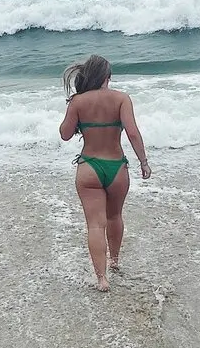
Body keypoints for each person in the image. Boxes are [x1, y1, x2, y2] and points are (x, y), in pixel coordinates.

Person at [59, 55, 152, 291]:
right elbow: (132, 132)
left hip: (89, 167)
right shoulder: (121, 99)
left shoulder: (78, 102)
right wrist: (143, 162)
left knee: (95, 225)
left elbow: (65, 134)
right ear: (107, 77)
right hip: (117, 167)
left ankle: (101, 278)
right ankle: (115, 260)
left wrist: (75, 112)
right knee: (114, 216)